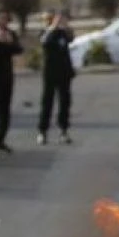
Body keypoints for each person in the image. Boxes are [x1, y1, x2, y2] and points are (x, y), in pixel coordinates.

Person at [37, 10, 75, 145]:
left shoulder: (64, 33)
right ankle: (42, 131)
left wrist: (65, 27)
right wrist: (53, 27)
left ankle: (63, 130)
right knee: (47, 102)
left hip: (64, 72)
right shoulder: (46, 32)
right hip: (50, 72)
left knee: (65, 102)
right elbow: (44, 42)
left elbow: (71, 38)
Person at [0, 11, 22, 153]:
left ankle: (0, 140)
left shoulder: (10, 34)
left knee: (4, 110)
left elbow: (19, 49)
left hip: (6, 76)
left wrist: (9, 42)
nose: (3, 22)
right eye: (1, 19)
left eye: (6, 20)